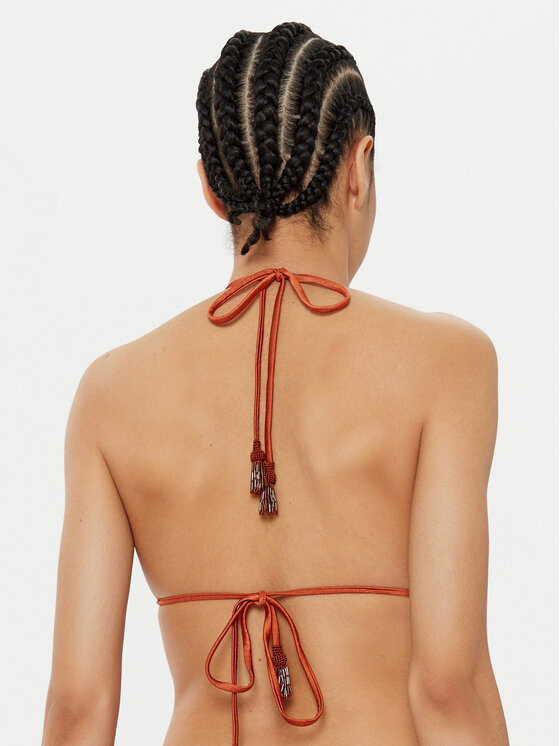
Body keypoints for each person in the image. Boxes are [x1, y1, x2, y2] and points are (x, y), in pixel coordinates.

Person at [41, 21, 509, 746]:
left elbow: (78, 706)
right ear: (359, 169)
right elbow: (449, 689)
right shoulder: (447, 364)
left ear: (210, 186)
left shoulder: (110, 395)